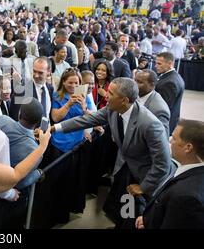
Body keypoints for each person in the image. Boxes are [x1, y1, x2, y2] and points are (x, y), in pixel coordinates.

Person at [52, 77, 173, 228]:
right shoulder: (112, 109)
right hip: (126, 167)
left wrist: (143, 187)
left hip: (146, 175)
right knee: (124, 203)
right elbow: (85, 121)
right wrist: (54, 128)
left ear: (124, 100)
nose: (106, 96)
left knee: (139, 216)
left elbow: (163, 164)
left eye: (110, 93)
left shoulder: (150, 124)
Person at [138, 119, 204, 229]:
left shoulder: (186, 198)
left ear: (188, 147)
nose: (169, 140)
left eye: (174, 138)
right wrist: (148, 219)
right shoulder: (189, 170)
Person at [50, 68, 93, 153]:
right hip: (60, 144)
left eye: (76, 83)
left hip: (77, 143)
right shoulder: (57, 96)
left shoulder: (85, 97)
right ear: (63, 82)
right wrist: (68, 104)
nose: (73, 85)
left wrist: (84, 108)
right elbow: (55, 118)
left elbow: (91, 119)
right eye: (70, 82)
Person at [155, 52, 185, 135]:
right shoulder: (172, 76)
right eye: (156, 63)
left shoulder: (170, 82)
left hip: (162, 124)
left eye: (159, 63)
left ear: (170, 63)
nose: (155, 66)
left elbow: (162, 108)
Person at [135, 69, 170, 136]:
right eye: (135, 80)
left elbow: (162, 137)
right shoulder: (135, 95)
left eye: (139, 82)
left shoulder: (159, 109)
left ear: (152, 85)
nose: (134, 84)